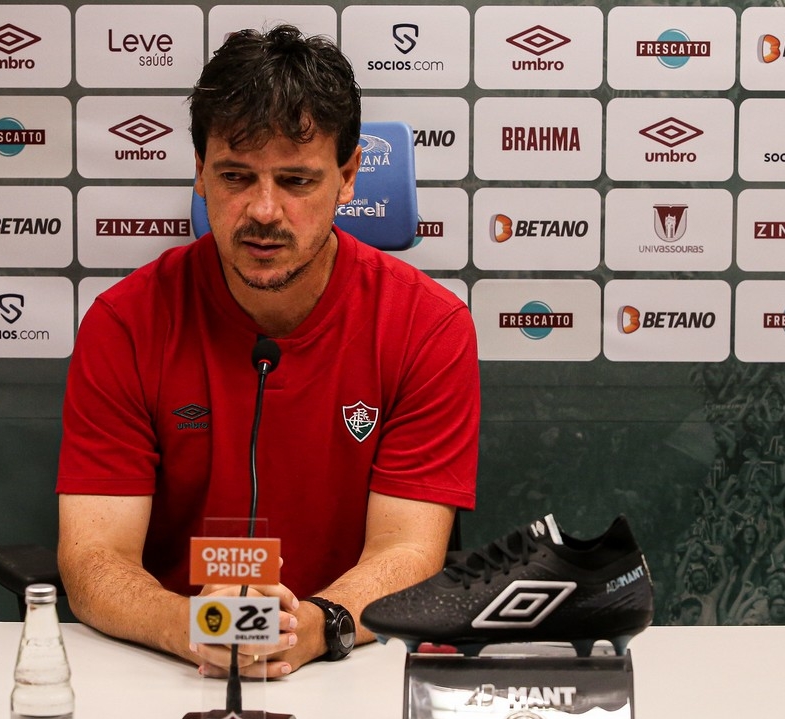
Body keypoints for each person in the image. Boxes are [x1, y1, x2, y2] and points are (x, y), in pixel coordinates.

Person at [54, 25, 479, 678]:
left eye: (296, 180)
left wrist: (313, 627)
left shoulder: (428, 325)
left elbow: (407, 552)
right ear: (200, 172)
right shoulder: (125, 322)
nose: (263, 210)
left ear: (348, 177)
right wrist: (195, 626)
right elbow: (93, 559)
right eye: (235, 176)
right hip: (169, 669)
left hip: (348, 665)